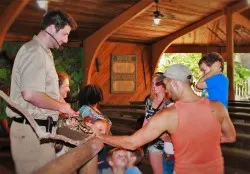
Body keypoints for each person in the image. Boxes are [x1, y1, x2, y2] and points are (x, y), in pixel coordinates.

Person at [89, 64, 236, 174]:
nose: (166, 89)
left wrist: (99, 135)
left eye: (165, 84)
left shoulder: (169, 115)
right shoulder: (217, 107)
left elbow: (132, 143)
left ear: (174, 83)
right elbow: (230, 137)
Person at [6, 10, 78, 174]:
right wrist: (62, 108)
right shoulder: (35, 51)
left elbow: (43, 93)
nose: (66, 40)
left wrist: (60, 103)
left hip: (39, 132)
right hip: (32, 133)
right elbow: (30, 94)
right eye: (65, 34)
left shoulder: (44, 53)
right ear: (52, 28)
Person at [143, 72, 174, 174]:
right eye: (152, 83)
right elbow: (145, 122)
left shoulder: (171, 102)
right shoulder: (149, 101)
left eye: (157, 83)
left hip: (169, 142)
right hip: (154, 142)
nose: (153, 86)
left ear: (164, 85)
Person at [78, 84, 112, 174]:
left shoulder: (95, 109)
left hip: (105, 144)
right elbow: (89, 126)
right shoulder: (85, 109)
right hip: (97, 145)